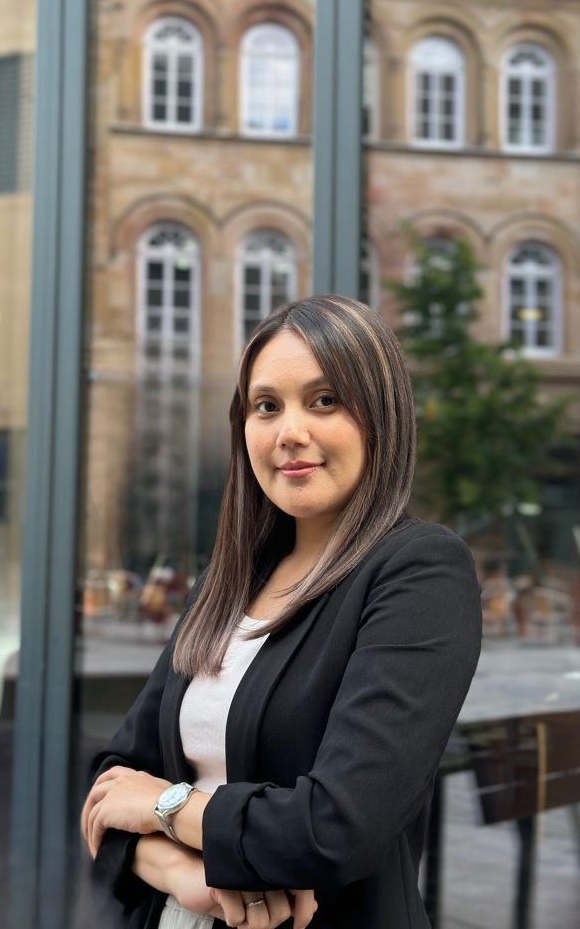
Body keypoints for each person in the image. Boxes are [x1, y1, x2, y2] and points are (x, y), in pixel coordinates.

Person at [81, 294, 482, 929]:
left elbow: (335, 828)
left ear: (381, 417)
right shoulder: (231, 581)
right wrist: (184, 875)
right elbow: (109, 785)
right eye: (266, 406)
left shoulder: (419, 572)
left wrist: (165, 806)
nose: (289, 432)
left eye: (324, 400)